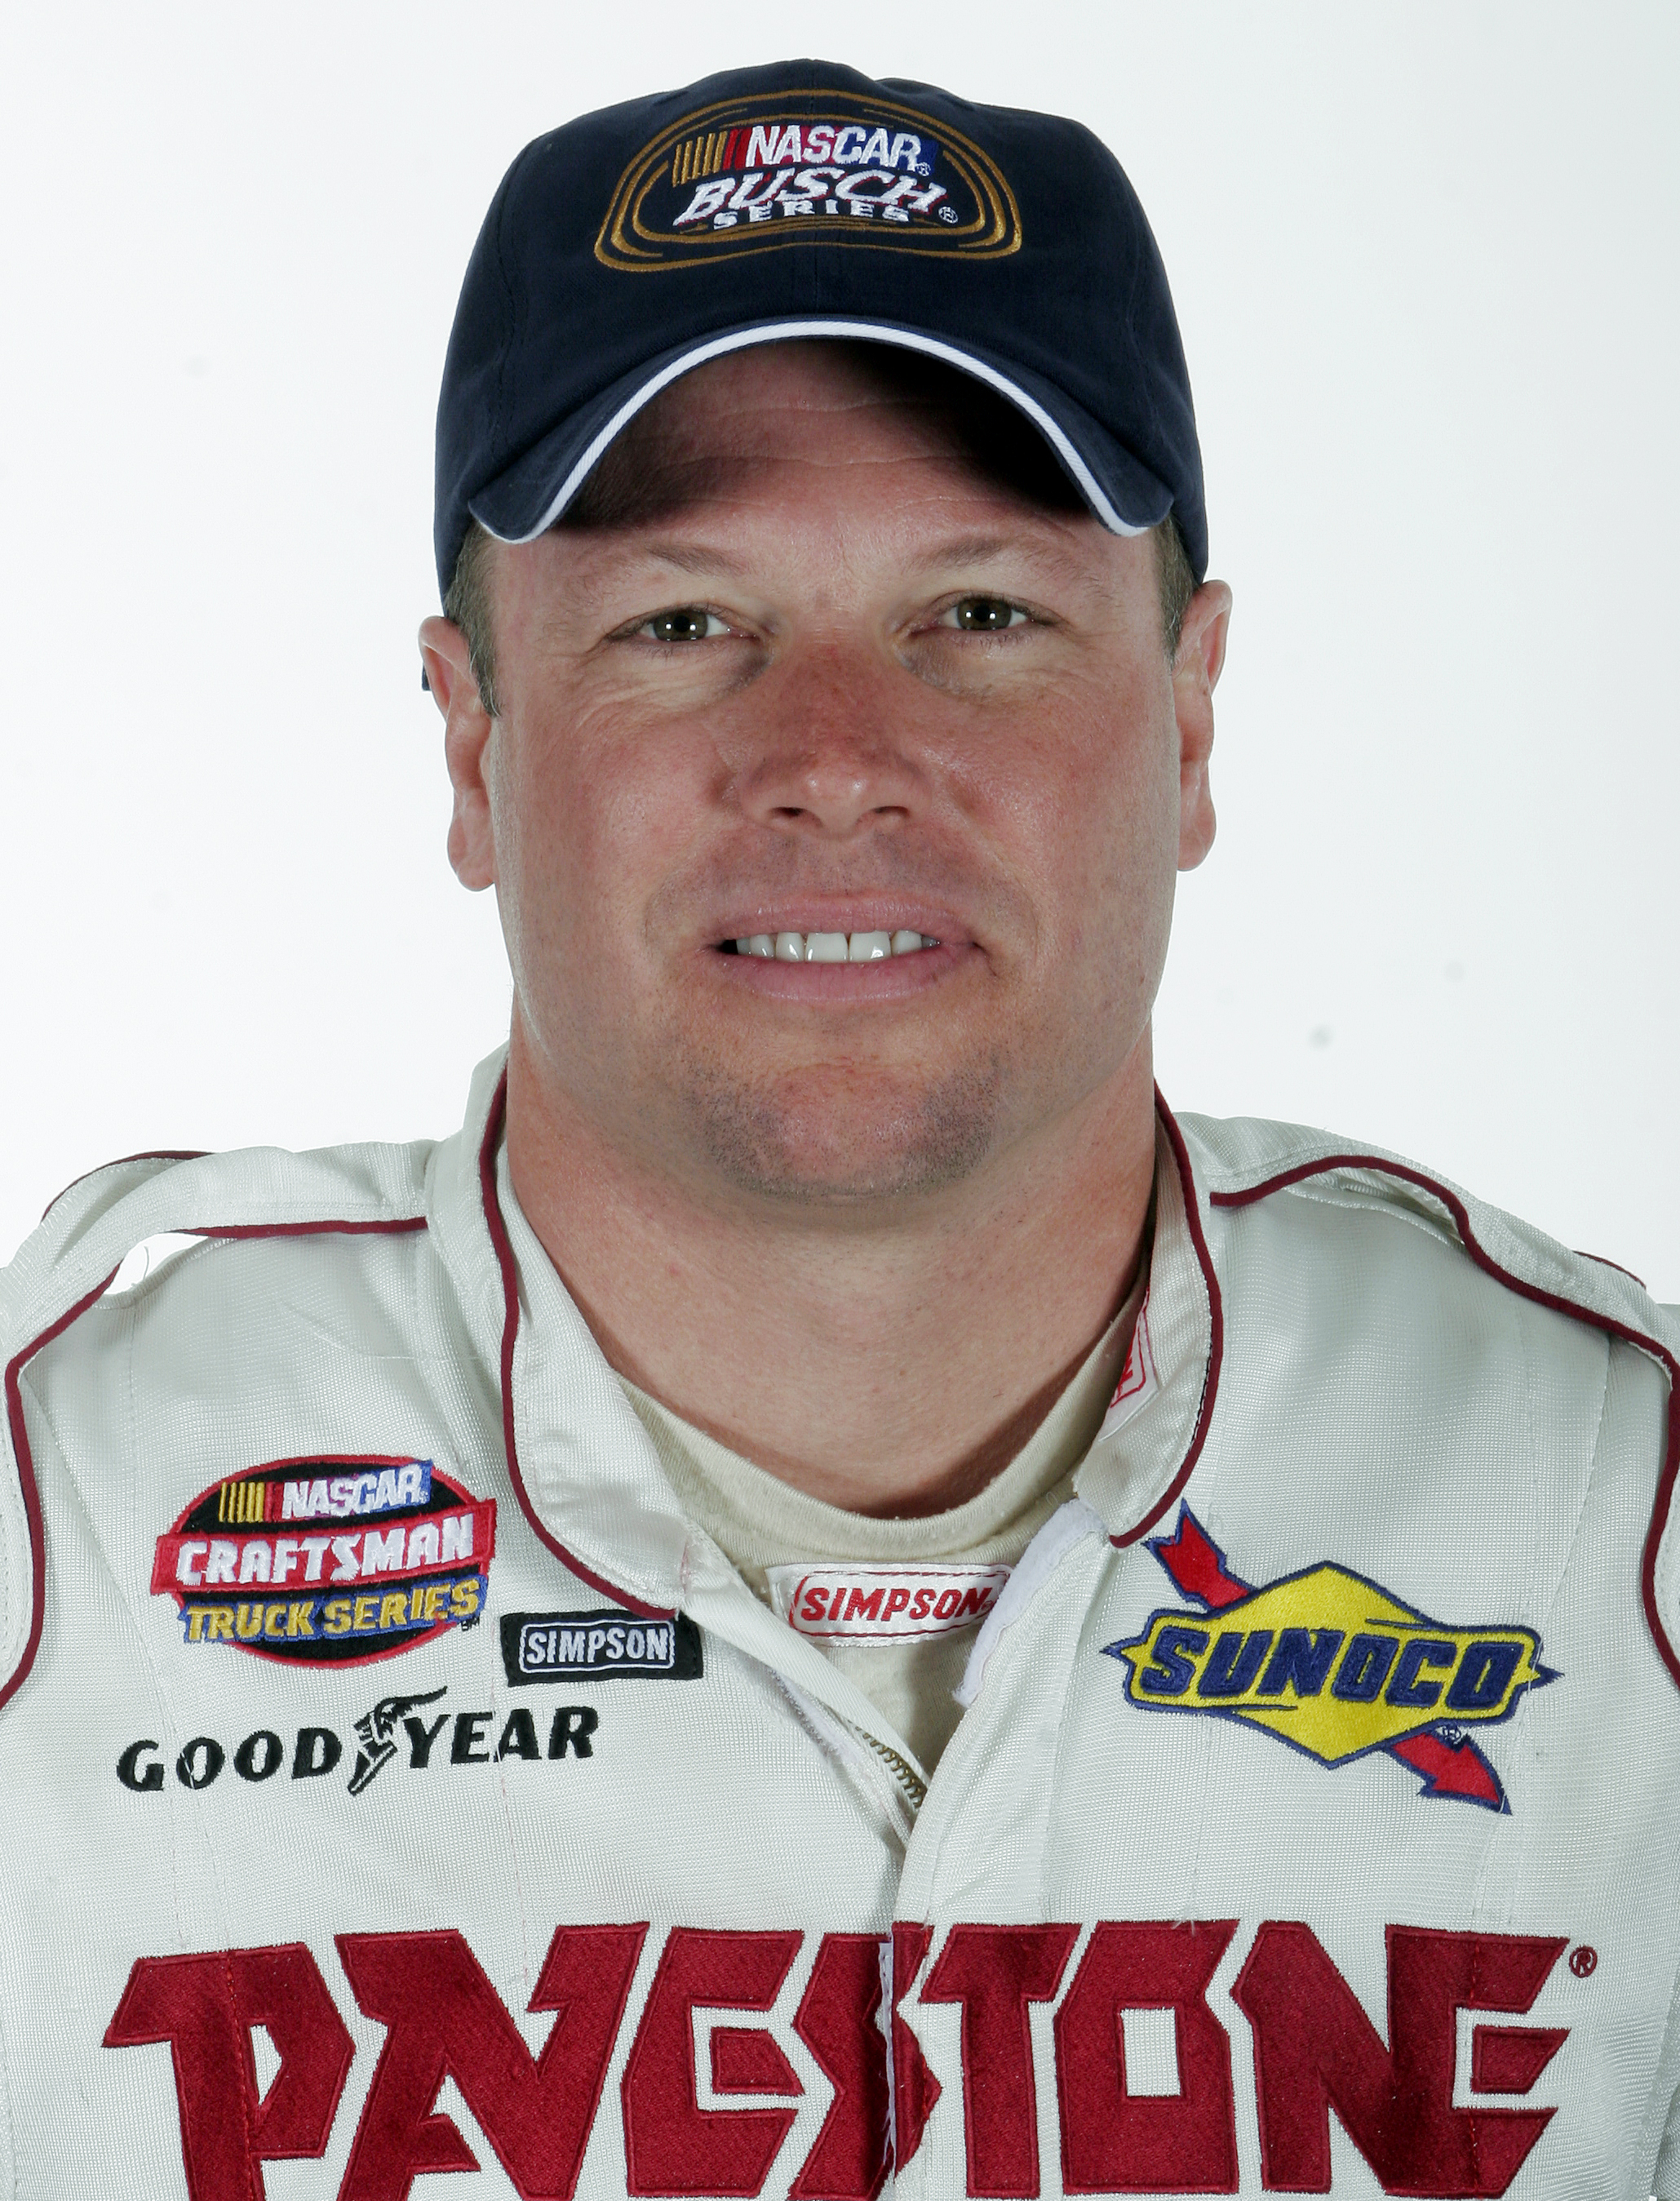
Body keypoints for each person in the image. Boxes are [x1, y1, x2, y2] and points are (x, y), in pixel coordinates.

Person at [2, 55, 1677, 2201]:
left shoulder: (1619, 1520)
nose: (834, 756)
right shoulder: (45, 1530)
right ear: (470, 737)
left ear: (1185, 717)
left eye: (976, 616)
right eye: (682, 621)